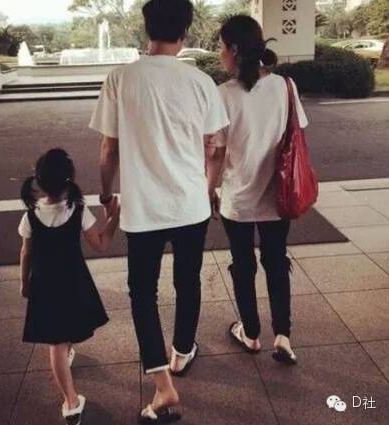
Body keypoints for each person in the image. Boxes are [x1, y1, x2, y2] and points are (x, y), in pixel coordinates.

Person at [89, 0, 228, 421]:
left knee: (142, 292)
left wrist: (106, 194)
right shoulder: (201, 81)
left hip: (143, 209)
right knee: (188, 281)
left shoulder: (120, 78)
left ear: (146, 29)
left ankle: (161, 381)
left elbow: (108, 149)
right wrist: (208, 189)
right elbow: (214, 147)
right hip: (190, 205)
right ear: (185, 32)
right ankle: (182, 351)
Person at [207, 15, 309, 366]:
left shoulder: (223, 95)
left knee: (243, 264)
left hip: (237, 199)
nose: (219, 53)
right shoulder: (285, 86)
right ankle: (283, 336)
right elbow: (296, 133)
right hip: (278, 195)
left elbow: (217, 154)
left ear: (234, 49)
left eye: (221, 47)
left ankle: (250, 333)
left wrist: (209, 189)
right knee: (276, 261)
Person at [18, 148, 119, 425]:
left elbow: (26, 252)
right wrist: (115, 218)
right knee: (62, 338)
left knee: (56, 341)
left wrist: (24, 282)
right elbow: (101, 244)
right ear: (68, 179)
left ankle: (70, 399)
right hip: (73, 281)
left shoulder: (31, 215)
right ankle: (71, 400)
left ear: (39, 181)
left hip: (44, 284)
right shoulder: (78, 210)